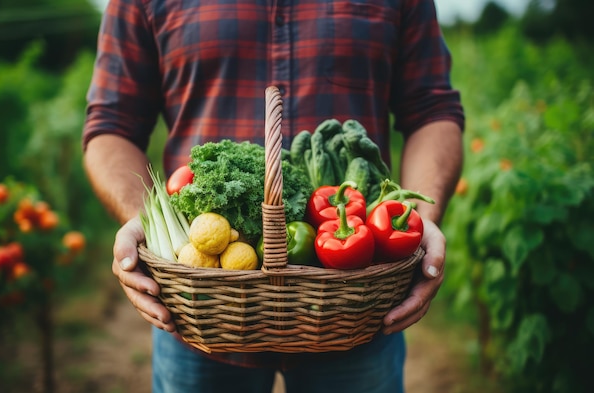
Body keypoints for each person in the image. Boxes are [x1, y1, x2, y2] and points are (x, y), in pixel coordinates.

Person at [82, 0, 464, 392]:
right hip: (199, 311)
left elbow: (432, 109)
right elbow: (111, 124)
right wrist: (142, 219)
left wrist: (420, 220)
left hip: (356, 306)